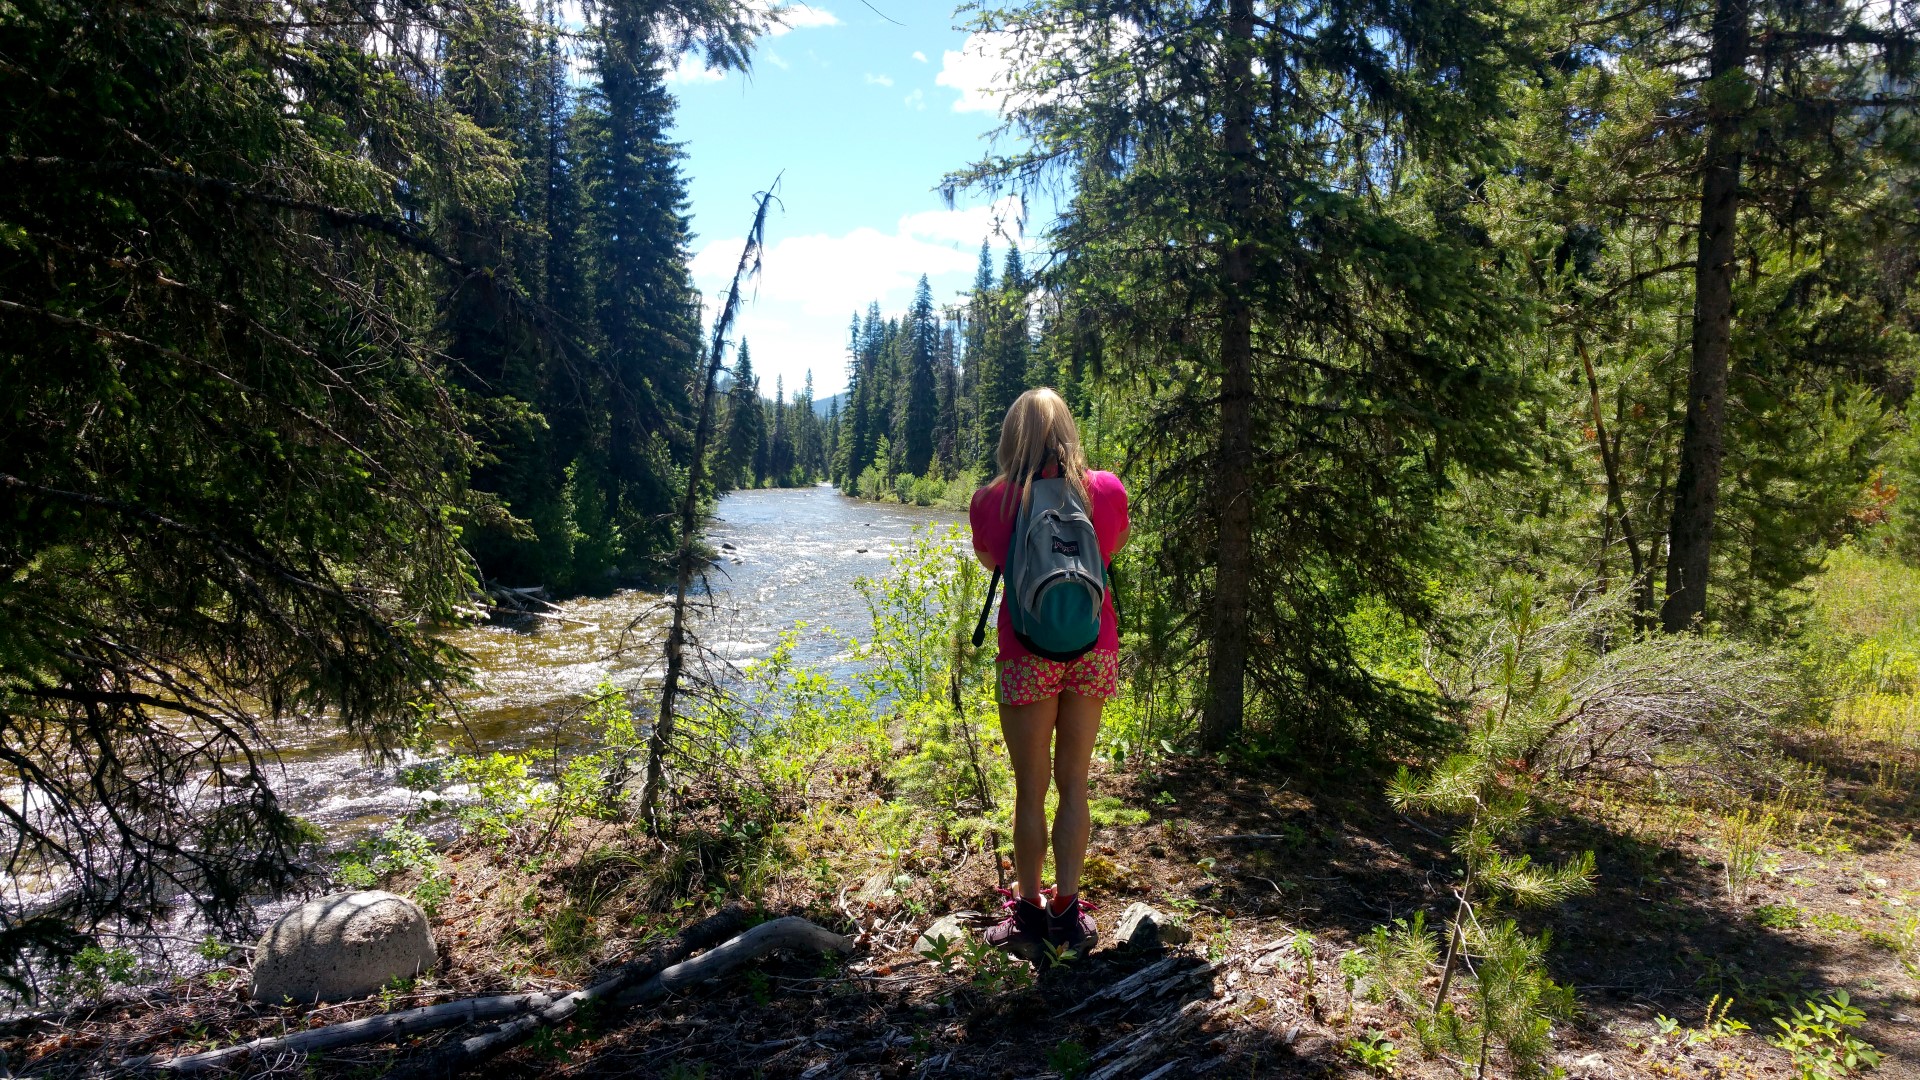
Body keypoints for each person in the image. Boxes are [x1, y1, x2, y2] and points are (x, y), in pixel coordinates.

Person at [968, 387, 1129, 957]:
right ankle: (1068, 911)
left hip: (1026, 654)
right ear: (1068, 432)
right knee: (1075, 783)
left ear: (1013, 437)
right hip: (1093, 648)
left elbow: (991, 560)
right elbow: (1110, 552)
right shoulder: (1106, 490)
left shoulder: (993, 500)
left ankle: (1028, 911)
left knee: (1030, 789)